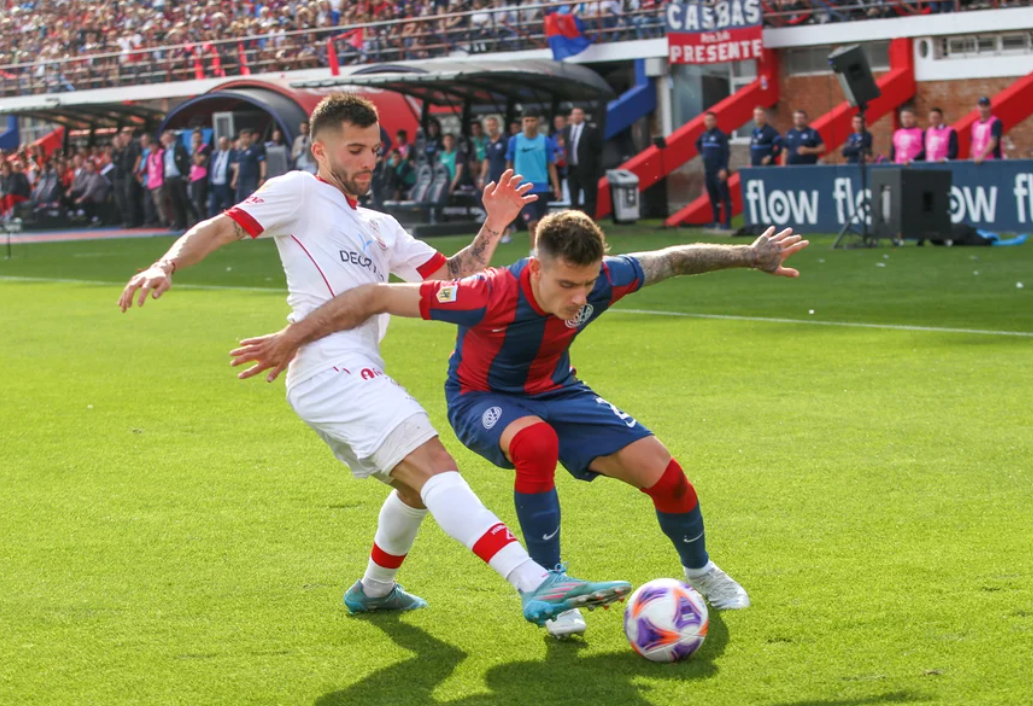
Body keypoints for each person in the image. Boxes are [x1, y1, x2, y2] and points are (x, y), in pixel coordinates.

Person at [118, 93, 630, 626]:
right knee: (434, 466)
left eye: (375, 150)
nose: (368, 161)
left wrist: (495, 224)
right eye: (355, 149)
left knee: (415, 485)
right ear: (319, 150)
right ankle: (535, 582)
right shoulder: (299, 191)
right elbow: (222, 226)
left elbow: (451, 279)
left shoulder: (380, 225)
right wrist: (166, 265)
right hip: (327, 365)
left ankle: (375, 589)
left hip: (347, 371)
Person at [231, 211, 809, 639]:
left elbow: (675, 259)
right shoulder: (484, 294)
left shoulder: (606, 279)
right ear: (536, 268)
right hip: (480, 400)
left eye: (588, 283)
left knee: (666, 474)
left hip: (559, 390)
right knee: (536, 442)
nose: (580, 297)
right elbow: (373, 295)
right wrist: (291, 338)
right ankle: (552, 585)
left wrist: (749, 255)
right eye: (566, 285)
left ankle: (701, 571)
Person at [507, 111, 560, 249]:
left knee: (541, 224)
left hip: (541, 186)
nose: (529, 124)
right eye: (527, 120)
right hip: (522, 187)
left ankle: (541, 251)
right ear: (523, 123)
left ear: (538, 122)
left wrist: (556, 187)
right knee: (531, 223)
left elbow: (551, 165)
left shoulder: (545, 141)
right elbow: (509, 164)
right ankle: (533, 251)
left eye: (532, 120)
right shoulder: (514, 141)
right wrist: (508, 183)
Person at [561, 107, 602, 218]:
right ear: (571, 116)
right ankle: (574, 221)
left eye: (579, 114)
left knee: (589, 197)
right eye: (575, 114)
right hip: (571, 169)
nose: (577, 116)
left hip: (587, 170)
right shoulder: (567, 130)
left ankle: (589, 220)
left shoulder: (591, 130)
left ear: (583, 116)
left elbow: (598, 149)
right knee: (573, 198)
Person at [696, 111, 732, 229]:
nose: (709, 122)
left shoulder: (721, 135)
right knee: (713, 197)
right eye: (707, 120)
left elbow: (726, 153)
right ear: (704, 122)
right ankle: (716, 220)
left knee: (724, 196)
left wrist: (724, 168)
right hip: (709, 171)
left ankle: (727, 222)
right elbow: (697, 144)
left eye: (711, 120)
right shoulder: (704, 135)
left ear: (715, 121)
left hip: (719, 170)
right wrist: (703, 154)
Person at [481, 116, 513, 244]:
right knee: (495, 207)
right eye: (488, 126)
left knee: (505, 205)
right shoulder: (488, 143)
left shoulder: (505, 141)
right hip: (492, 179)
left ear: (498, 125)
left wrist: (508, 176)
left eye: (493, 125)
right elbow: (486, 160)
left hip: (503, 178)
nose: (491, 128)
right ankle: (499, 232)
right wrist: (482, 177)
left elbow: (509, 160)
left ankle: (508, 232)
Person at [160, 130, 193, 230]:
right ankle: (179, 223)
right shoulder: (165, 152)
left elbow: (186, 162)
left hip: (179, 177)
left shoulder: (180, 148)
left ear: (171, 138)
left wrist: (186, 175)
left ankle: (190, 221)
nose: (164, 140)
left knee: (184, 199)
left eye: (166, 138)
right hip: (169, 178)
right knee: (174, 202)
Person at [66, 159, 111, 225]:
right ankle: (75, 213)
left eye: (90, 166)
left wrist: (82, 198)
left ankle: (94, 219)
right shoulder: (88, 176)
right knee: (73, 194)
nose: (88, 168)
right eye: (87, 167)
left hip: (98, 198)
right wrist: (71, 190)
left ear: (94, 167)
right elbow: (81, 186)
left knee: (82, 201)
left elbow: (90, 191)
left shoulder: (96, 176)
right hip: (91, 196)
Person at [233, 129, 267, 203]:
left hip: (252, 179)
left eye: (247, 137)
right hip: (241, 180)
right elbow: (238, 166)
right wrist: (234, 179)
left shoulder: (256, 149)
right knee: (240, 201)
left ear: (251, 138)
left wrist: (263, 177)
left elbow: (262, 163)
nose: (245, 139)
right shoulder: (239, 151)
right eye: (243, 137)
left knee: (251, 200)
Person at [209, 136, 237, 216]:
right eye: (220, 144)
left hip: (226, 184)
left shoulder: (233, 154)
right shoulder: (215, 154)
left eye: (224, 143)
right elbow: (212, 167)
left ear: (228, 143)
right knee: (213, 207)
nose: (222, 146)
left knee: (229, 205)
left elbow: (236, 167)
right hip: (215, 184)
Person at [971, 96, 1003, 165]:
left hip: (993, 162)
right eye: (981, 106)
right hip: (977, 162)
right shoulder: (975, 124)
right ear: (977, 107)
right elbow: (973, 143)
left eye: (985, 106)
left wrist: (982, 156)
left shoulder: (995, 122)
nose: (983, 109)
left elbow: (994, 141)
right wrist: (972, 157)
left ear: (990, 107)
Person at [189, 130, 211, 222]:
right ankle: (197, 219)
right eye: (195, 137)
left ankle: (203, 220)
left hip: (202, 177)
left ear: (202, 137)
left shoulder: (205, 148)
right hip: (194, 177)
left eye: (198, 137)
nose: (196, 139)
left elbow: (198, 162)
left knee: (200, 201)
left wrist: (195, 151)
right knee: (194, 200)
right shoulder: (194, 149)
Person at [439, 133, 467, 197]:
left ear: (453, 142)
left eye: (450, 140)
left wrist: (451, 186)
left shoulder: (458, 154)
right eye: (447, 140)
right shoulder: (441, 155)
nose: (449, 142)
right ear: (443, 142)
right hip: (442, 183)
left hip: (453, 183)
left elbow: (459, 173)